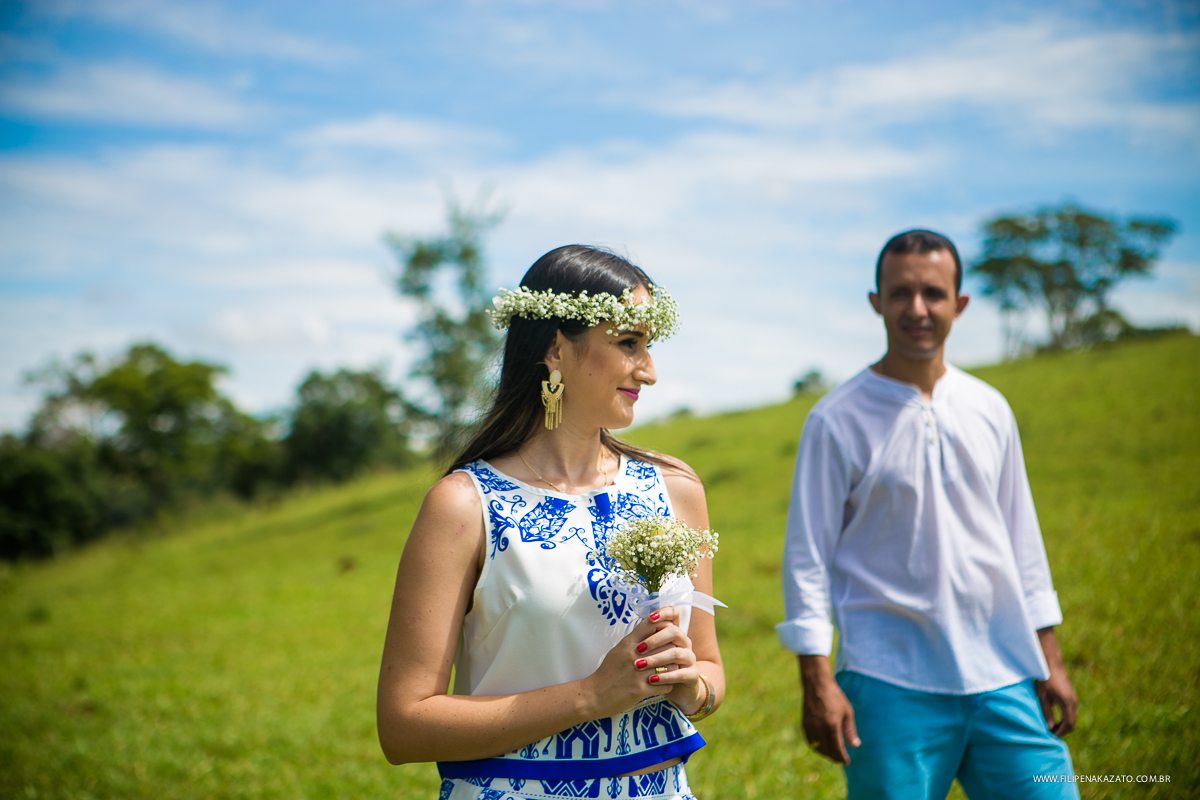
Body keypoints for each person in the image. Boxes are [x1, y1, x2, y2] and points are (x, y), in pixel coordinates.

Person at [377, 245, 724, 800]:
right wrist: (590, 696)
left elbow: (709, 669)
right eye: (629, 343)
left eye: (649, 346)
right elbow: (403, 726)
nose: (650, 372)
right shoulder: (463, 506)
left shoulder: (676, 489)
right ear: (556, 349)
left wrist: (692, 686)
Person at [776, 230, 1080, 799]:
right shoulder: (835, 419)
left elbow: (1023, 542)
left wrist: (1050, 658)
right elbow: (806, 559)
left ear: (959, 304)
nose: (917, 309)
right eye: (901, 294)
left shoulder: (990, 408)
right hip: (889, 683)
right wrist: (816, 678)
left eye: (934, 294)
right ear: (877, 302)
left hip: (1005, 673)